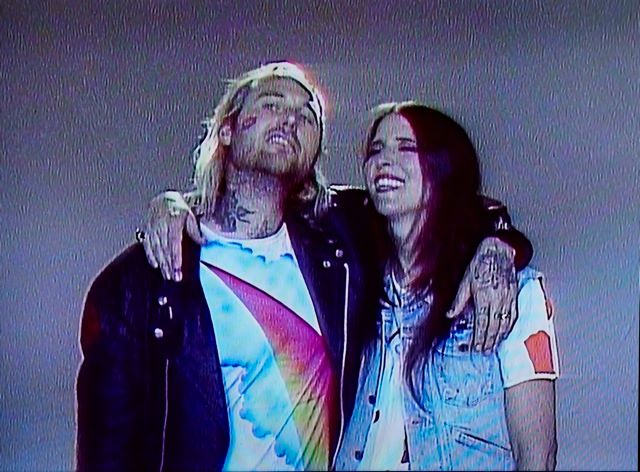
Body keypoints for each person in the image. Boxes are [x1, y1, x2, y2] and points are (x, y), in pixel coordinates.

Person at [77, 62, 531, 471]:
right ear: (227, 130)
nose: (290, 119)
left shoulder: (341, 241)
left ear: (315, 153)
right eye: (272, 104)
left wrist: (497, 246)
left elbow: (448, 206)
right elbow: (107, 450)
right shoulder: (137, 283)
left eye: (307, 116)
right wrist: (171, 203)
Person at [332, 103, 559, 471]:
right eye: (376, 149)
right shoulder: (352, 286)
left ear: (442, 167)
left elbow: (537, 454)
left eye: (406, 147)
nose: (384, 160)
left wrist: (500, 243)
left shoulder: (515, 292)